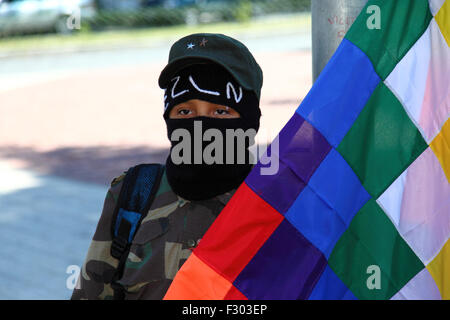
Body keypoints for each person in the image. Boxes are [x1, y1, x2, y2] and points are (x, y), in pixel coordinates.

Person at [71, 32, 263, 300]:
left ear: (250, 119)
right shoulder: (133, 194)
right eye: (184, 112)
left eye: (220, 112)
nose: (201, 126)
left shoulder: (275, 201)